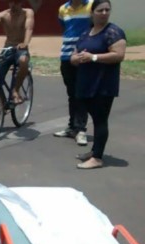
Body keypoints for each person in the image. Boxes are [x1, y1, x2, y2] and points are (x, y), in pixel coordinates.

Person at [71, 0, 126, 169]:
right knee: (94, 119)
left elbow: (119, 55)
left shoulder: (114, 32)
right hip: (86, 83)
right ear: (92, 12)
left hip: (103, 85)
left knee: (101, 120)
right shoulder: (86, 33)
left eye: (107, 10)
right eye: (100, 10)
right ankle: (95, 150)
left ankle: (97, 158)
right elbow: (74, 56)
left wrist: (93, 57)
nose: (104, 13)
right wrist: (77, 58)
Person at [54, 0, 92, 145]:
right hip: (66, 56)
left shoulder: (91, 5)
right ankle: (72, 127)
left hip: (84, 55)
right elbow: (65, 27)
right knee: (72, 93)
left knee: (81, 93)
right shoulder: (63, 9)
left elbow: (96, 28)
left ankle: (81, 129)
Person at [0, 0, 35, 106]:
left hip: (21, 48)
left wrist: (25, 43)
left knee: (24, 61)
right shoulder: (3, 15)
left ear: (21, 3)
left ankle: (15, 90)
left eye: (16, 2)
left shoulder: (28, 13)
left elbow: (29, 28)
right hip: (8, 48)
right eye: (10, 2)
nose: (13, 5)